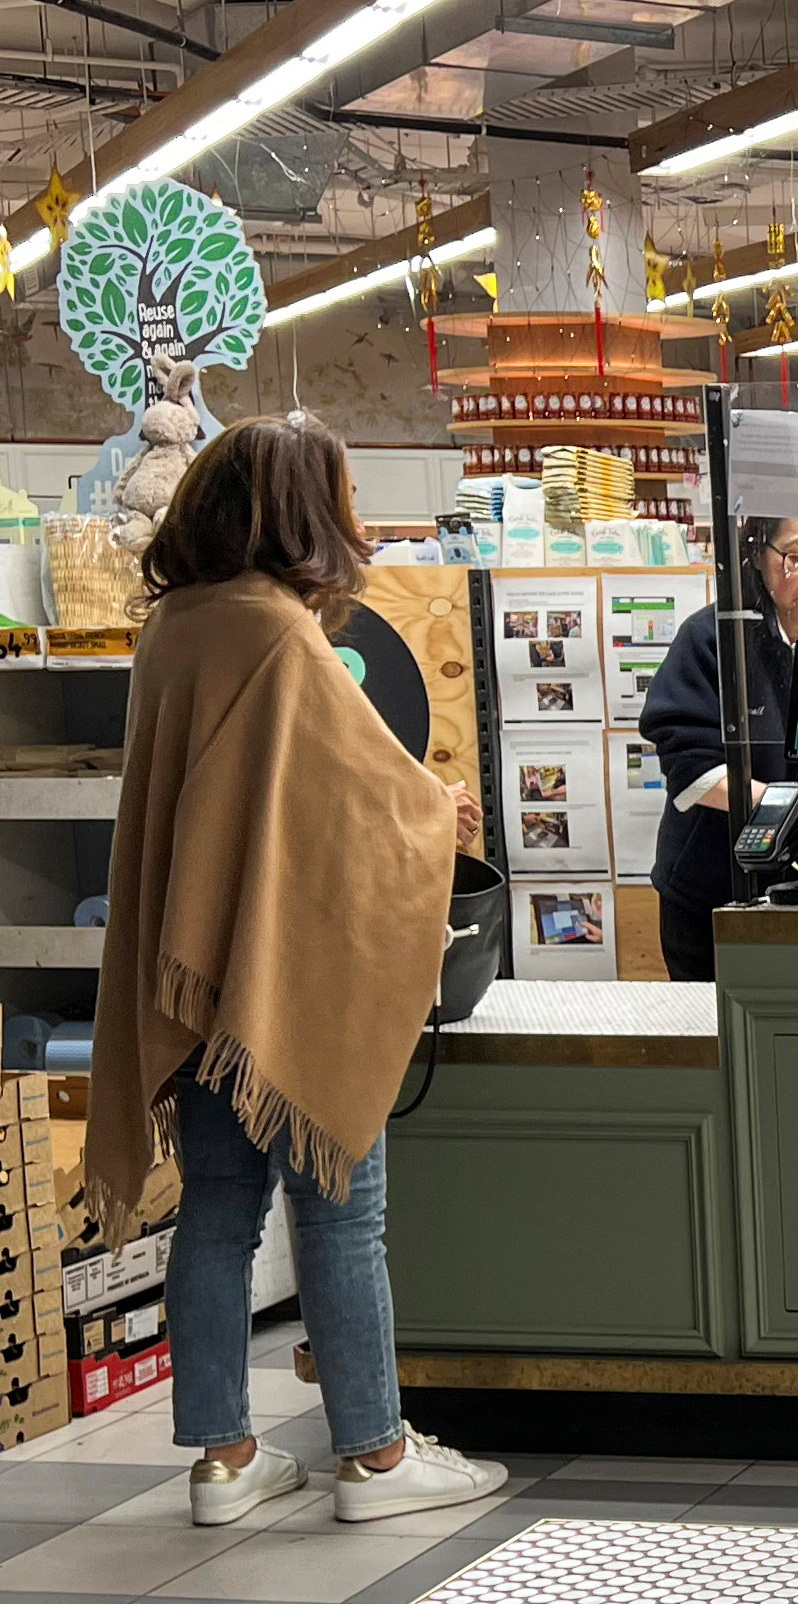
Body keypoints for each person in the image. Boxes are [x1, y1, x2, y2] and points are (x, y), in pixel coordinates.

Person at [87, 414, 507, 1526]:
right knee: (342, 1209)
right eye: (344, 496)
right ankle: (373, 1454)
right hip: (286, 966)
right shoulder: (279, 633)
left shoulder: (176, 623)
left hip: (202, 969)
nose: (358, 519)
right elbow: (364, 799)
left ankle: (224, 1457)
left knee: (218, 1210)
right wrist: (439, 809)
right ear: (296, 512)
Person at [640, 476, 798, 980]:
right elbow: (692, 768)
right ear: (757, 554)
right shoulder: (711, 637)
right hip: (713, 893)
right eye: (797, 558)